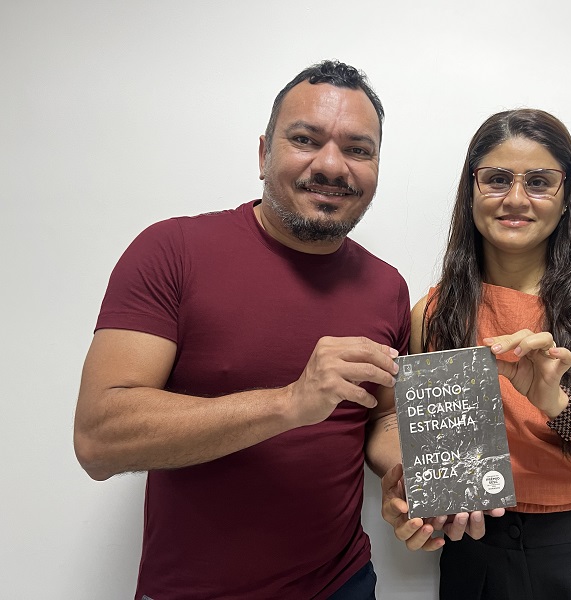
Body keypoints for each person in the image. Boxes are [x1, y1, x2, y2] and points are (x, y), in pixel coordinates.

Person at [73, 59, 480, 600]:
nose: (333, 165)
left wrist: (405, 473)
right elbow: (99, 439)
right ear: (264, 153)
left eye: (358, 149)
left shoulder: (387, 285)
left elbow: (381, 414)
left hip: (344, 585)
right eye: (306, 139)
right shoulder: (171, 251)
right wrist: (290, 402)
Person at [382, 109, 571, 599]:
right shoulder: (433, 313)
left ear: (567, 198)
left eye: (540, 182)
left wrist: (555, 401)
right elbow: (447, 470)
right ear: (471, 191)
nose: (516, 199)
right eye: (497, 179)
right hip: (477, 554)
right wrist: (413, 496)